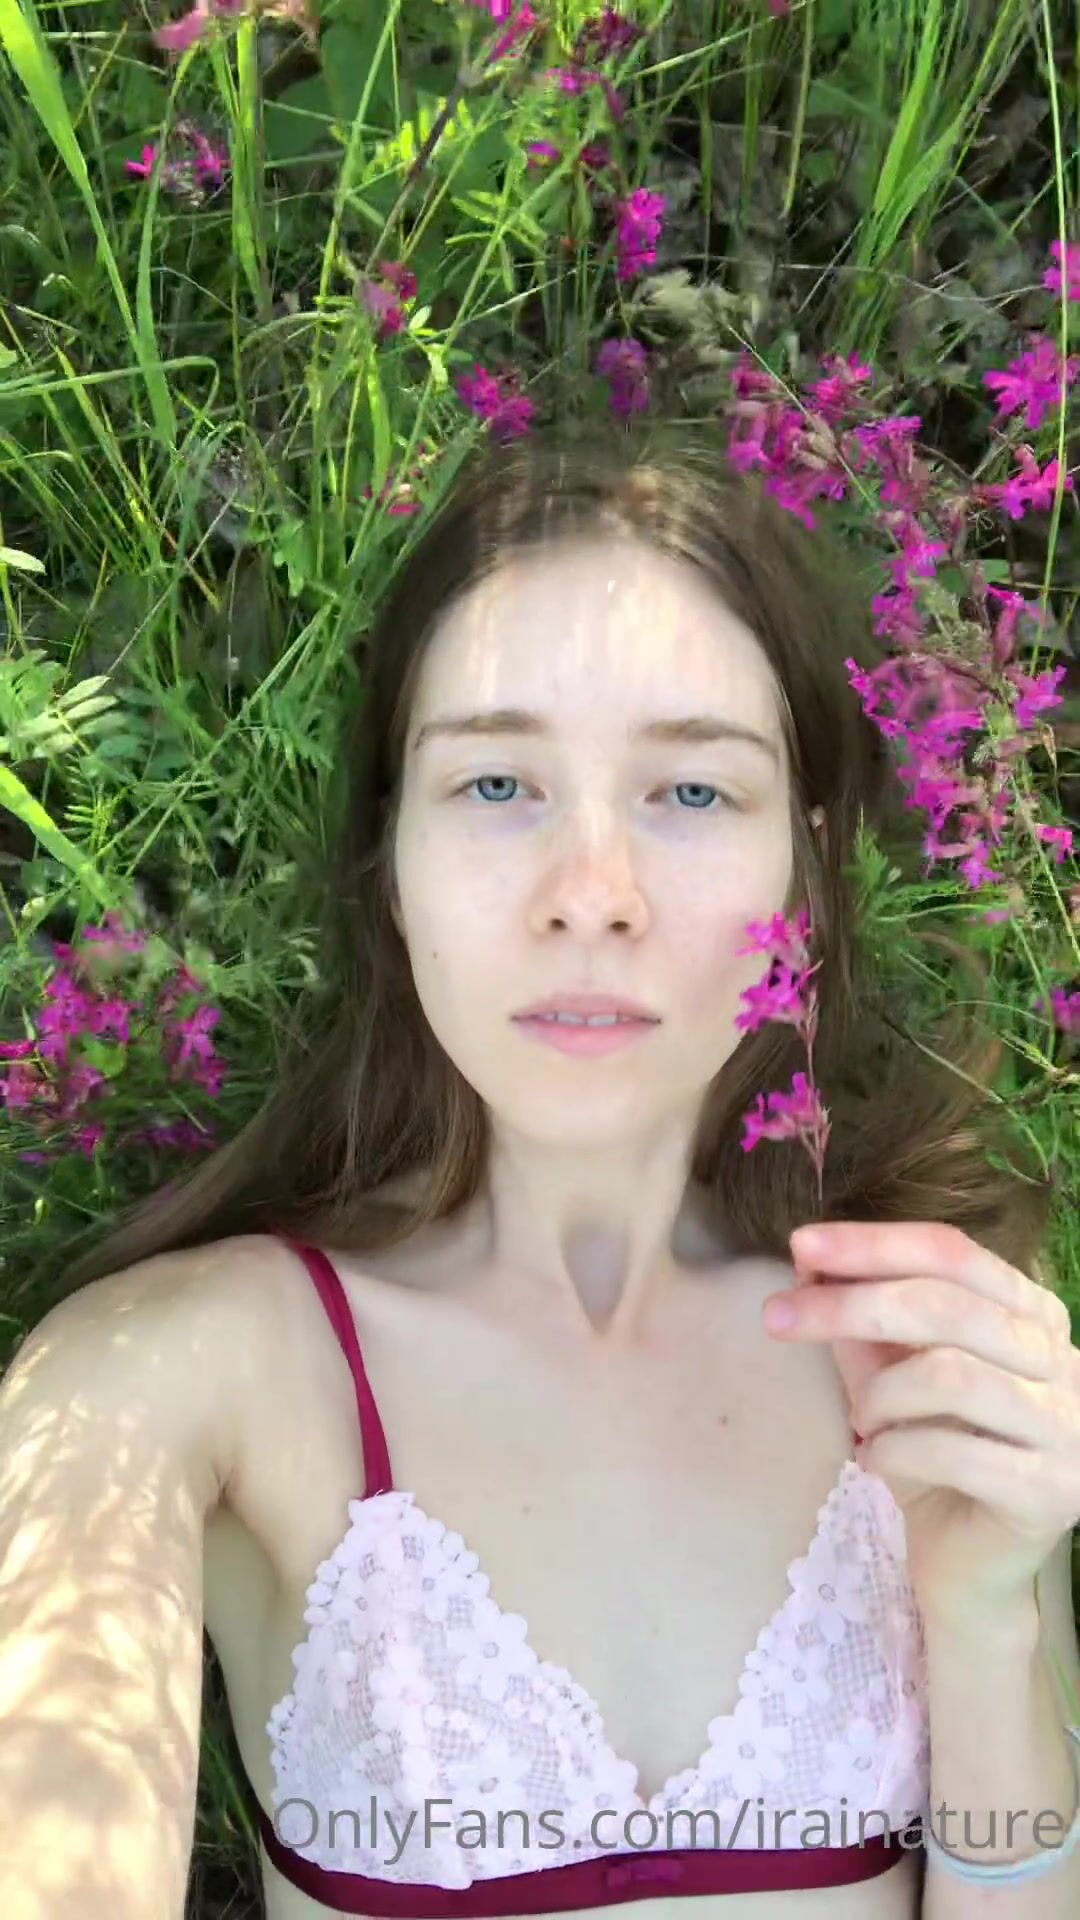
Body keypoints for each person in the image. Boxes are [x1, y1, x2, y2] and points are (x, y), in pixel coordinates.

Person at [0, 423, 1076, 1920]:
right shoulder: (167, 1373)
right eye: (498, 783)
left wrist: (984, 1616)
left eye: (692, 793)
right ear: (390, 867)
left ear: (810, 875)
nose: (592, 896)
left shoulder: (930, 1338)